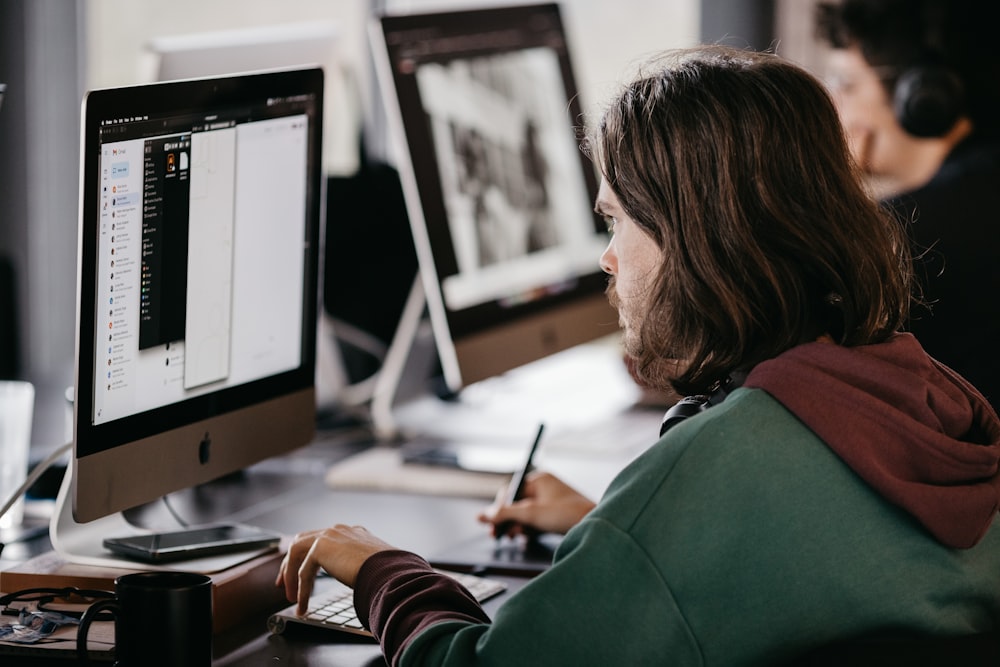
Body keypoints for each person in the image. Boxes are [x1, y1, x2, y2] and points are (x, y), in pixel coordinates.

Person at [277, 46, 1000, 666]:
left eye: (616, 220)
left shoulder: (724, 464)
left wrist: (384, 568)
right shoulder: (923, 394)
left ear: (694, 242)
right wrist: (622, 532)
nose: (608, 258)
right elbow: (822, 556)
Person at [815, 0, 1000, 411]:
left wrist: (830, 181)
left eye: (845, 84)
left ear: (924, 91)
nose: (834, 108)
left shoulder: (909, 234)